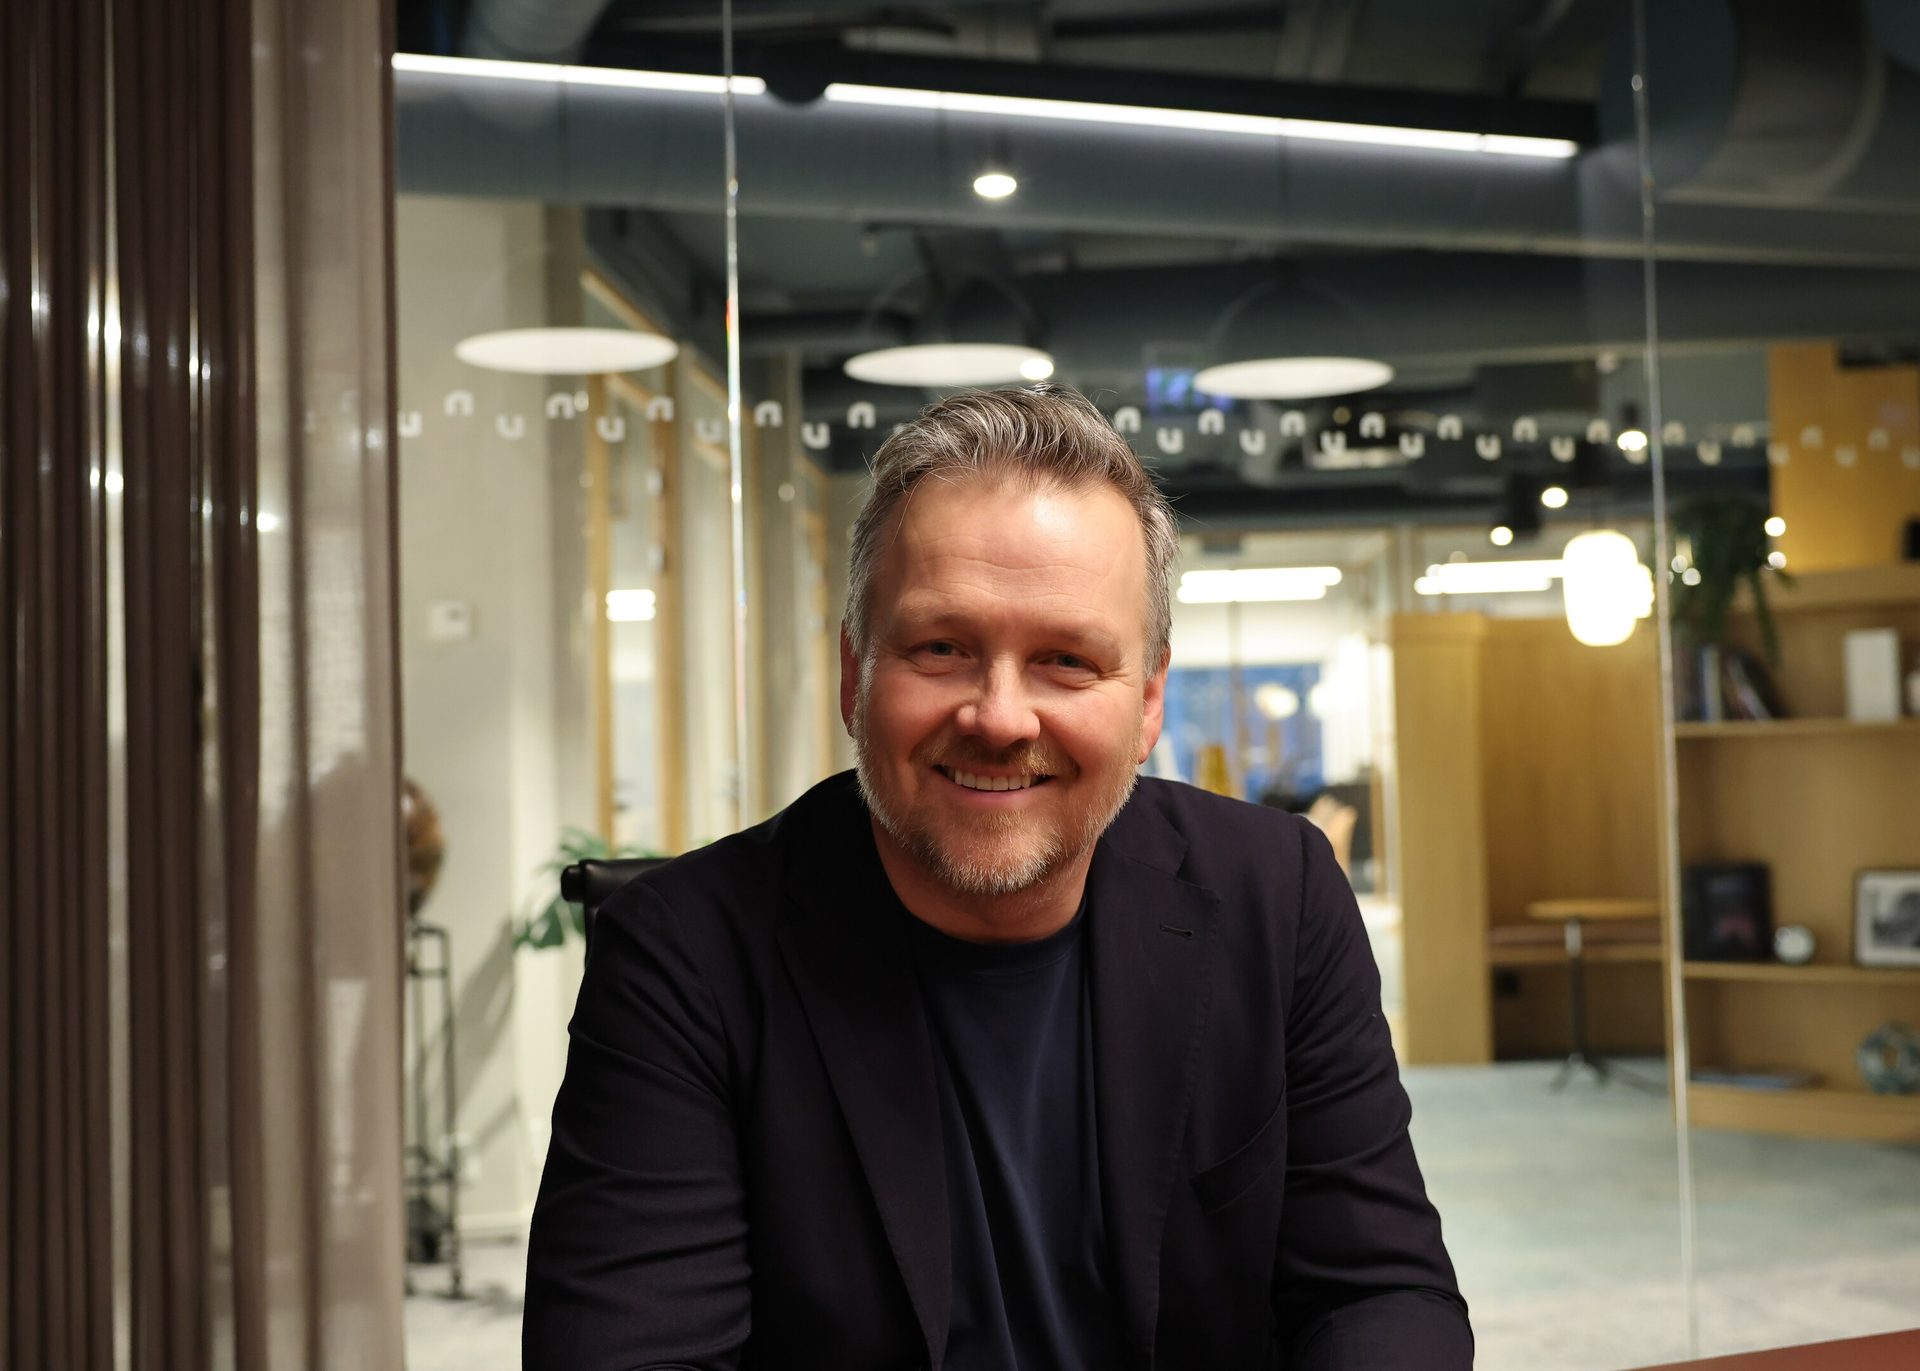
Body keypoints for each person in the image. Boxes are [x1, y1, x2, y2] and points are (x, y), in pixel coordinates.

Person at [523, 386, 1471, 1370]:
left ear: (1148, 701)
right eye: (943, 648)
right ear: (855, 675)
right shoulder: (683, 956)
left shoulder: (1278, 895)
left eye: (1066, 660)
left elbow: (1377, 1293)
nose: (1001, 717)